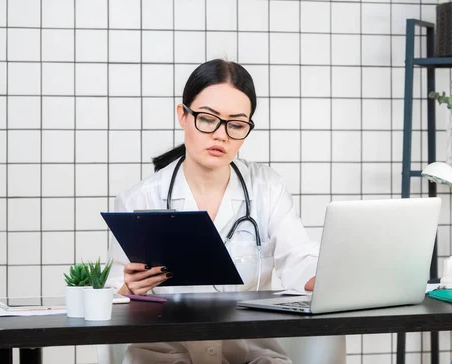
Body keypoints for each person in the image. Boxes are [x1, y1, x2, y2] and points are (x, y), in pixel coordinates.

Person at [105, 59, 319, 364]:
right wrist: (130, 288)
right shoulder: (140, 199)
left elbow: (298, 258)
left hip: (250, 356)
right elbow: (111, 301)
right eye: (208, 119)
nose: (221, 135)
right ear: (183, 115)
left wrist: (328, 277)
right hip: (164, 356)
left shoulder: (267, 188)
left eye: (237, 124)